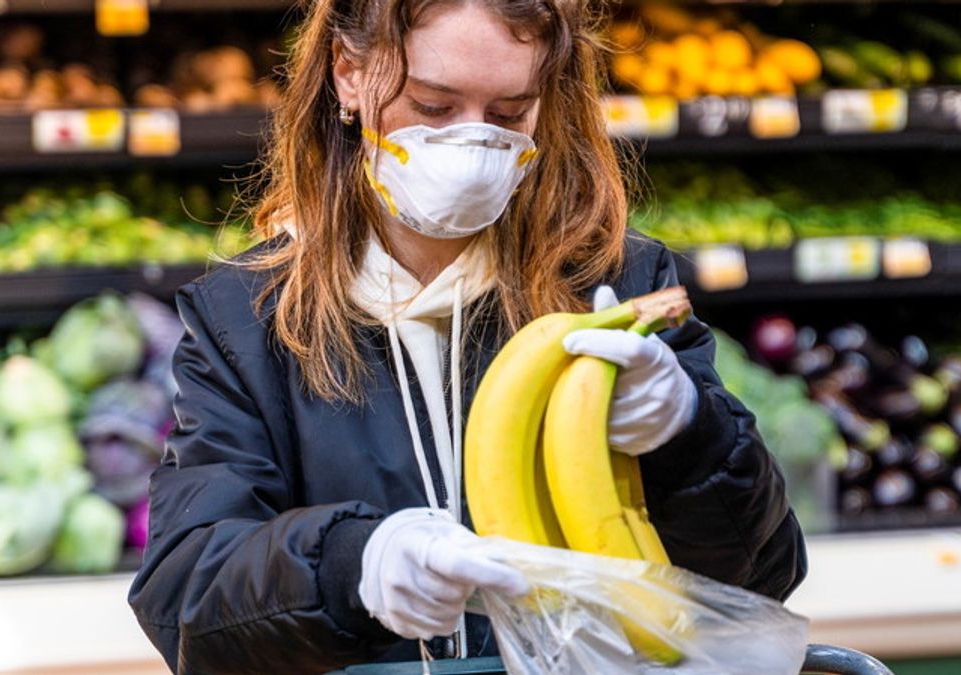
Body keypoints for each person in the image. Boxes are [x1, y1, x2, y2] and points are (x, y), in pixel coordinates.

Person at [128, 0, 807, 672]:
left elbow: (761, 579)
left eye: (511, 113)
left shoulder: (615, 283)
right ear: (348, 72)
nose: (474, 143)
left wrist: (686, 436)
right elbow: (184, 601)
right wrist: (350, 565)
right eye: (432, 106)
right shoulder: (247, 318)